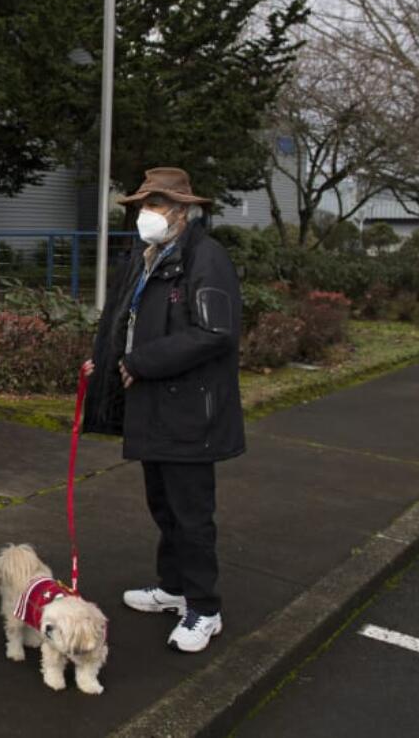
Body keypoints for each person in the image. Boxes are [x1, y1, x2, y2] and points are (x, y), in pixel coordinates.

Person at [83, 167, 245, 654]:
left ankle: (205, 608)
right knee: (164, 505)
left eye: (154, 206)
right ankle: (173, 587)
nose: (145, 215)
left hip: (191, 412)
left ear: (182, 211)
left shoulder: (206, 258)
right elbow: (125, 318)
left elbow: (215, 332)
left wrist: (140, 361)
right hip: (154, 405)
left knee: (191, 513)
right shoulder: (148, 255)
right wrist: (108, 359)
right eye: (143, 206)